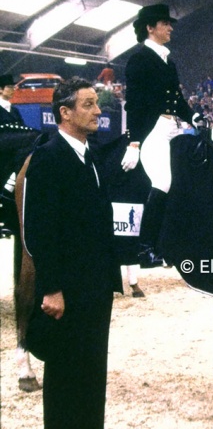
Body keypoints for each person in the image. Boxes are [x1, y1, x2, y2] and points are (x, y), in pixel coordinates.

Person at [24, 77, 123, 429]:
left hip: (94, 287)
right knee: (66, 375)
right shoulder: (48, 157)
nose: (98, 111)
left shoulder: (91, 155)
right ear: (64, 113)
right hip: (65, 289)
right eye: (88, 104)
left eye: (96, 103)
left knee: (92, 372)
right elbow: (40, 230)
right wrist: (51, 288)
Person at [121, 4, 198, 268]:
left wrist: (194, 117)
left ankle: (173, 242)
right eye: (165, 23)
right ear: (150, 28)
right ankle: (145, 247)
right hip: (152, 131)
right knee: (163, 182)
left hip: (174, 127)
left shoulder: (168, 60)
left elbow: (176, 97)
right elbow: (133, 104)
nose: (170, 28)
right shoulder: (139, 60)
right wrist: (133, 142)